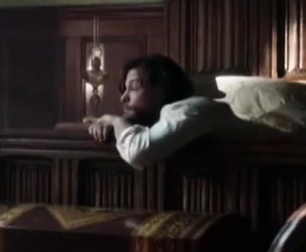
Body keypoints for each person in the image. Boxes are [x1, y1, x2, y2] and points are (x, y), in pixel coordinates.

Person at [88, 54, 237, 169]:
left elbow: (138, 152)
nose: (123, 98)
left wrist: (116, 121)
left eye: (133, 87)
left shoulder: (191, 108)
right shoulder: (165, 117)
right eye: (125, 89)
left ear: (163, 88)